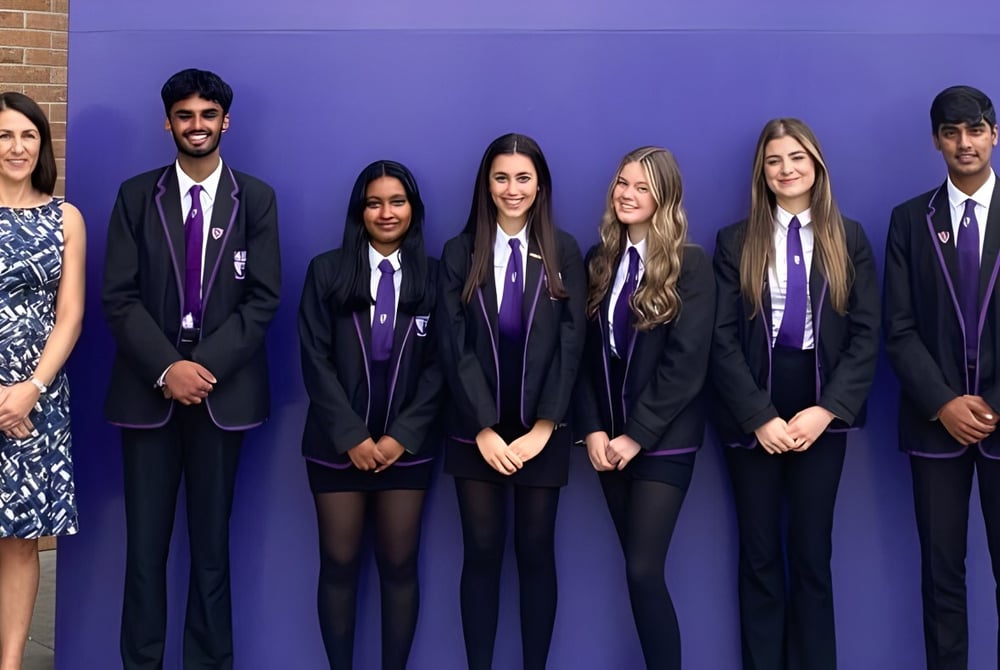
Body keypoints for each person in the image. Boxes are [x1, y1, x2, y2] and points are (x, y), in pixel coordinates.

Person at [102, 68, 281, 669]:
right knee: (145, 552)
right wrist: (167, 369)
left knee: (211, 552)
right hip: (147, 394)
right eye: (185, 115)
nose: (196, 125)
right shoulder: (135, 195)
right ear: (168, 123)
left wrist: (199, 368)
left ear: (225, 122)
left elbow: (263, 298)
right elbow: (118, 297)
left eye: (208, 115)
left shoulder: (254, 198)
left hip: (221, 396)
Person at [711, 118, 879, 669]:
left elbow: (866, 334)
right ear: (762, 170)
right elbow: (721, 337)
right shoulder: (735, 241)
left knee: (811, 554)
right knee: (758, 555)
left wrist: (827, 411)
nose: (786, 170)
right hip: (753, 408)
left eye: (797, 159)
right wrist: (758, 416)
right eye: (775, 160)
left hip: (819, 405)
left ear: (817, 166)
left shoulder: (847, 237)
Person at [436, 133, 585, 669]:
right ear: (486, 184)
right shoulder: (460, 252)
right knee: (479, 555)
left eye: (523, 178)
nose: (512, 188)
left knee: (536, 555)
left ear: (540, 184)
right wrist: (483, 428)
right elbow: (453, 345)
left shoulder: (565, 250)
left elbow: (573, 343)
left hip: (542, 431)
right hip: (475, 431)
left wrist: (545, 426)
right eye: (501, 177)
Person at [574, 146, 714, 668]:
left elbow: (687, 362)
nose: (628, 195)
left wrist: (636, 435)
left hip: (662, 441)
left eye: (643, 188)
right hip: (607, 445)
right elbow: (582, 357)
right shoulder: (598, 260)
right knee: (636, 572)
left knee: (642, 569)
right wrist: (592, 431)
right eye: (622, 184)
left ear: (665, 198)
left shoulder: (689, 264)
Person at [298, 160, 442, 669]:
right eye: (375, 202)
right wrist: (352, 436)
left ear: (413, 210)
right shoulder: (327, 271)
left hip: (408, 450)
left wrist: (401, 436)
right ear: (361, 210)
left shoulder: (436, 276)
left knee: (400, 566)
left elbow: (442, 367)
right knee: (338, 564)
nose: (386, 212)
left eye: (397, 202)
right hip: (337, 448)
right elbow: (314, 361)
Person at [884, 85, 1000, 670]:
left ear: (994, 135)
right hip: (935, 427)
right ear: (936, 140)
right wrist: (944, 403)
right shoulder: (910, 220)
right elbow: (898, 327)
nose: (964, 143)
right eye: (951, 132)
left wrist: (993, 404)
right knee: (941, 576)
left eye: (975, 130)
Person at [0, 91, 85, 670]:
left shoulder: (65, 216)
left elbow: (70, 314)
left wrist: (30, 387)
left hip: (38, 398)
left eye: (28, 135)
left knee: (19, 539)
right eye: (5, 135)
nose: (18, 147)